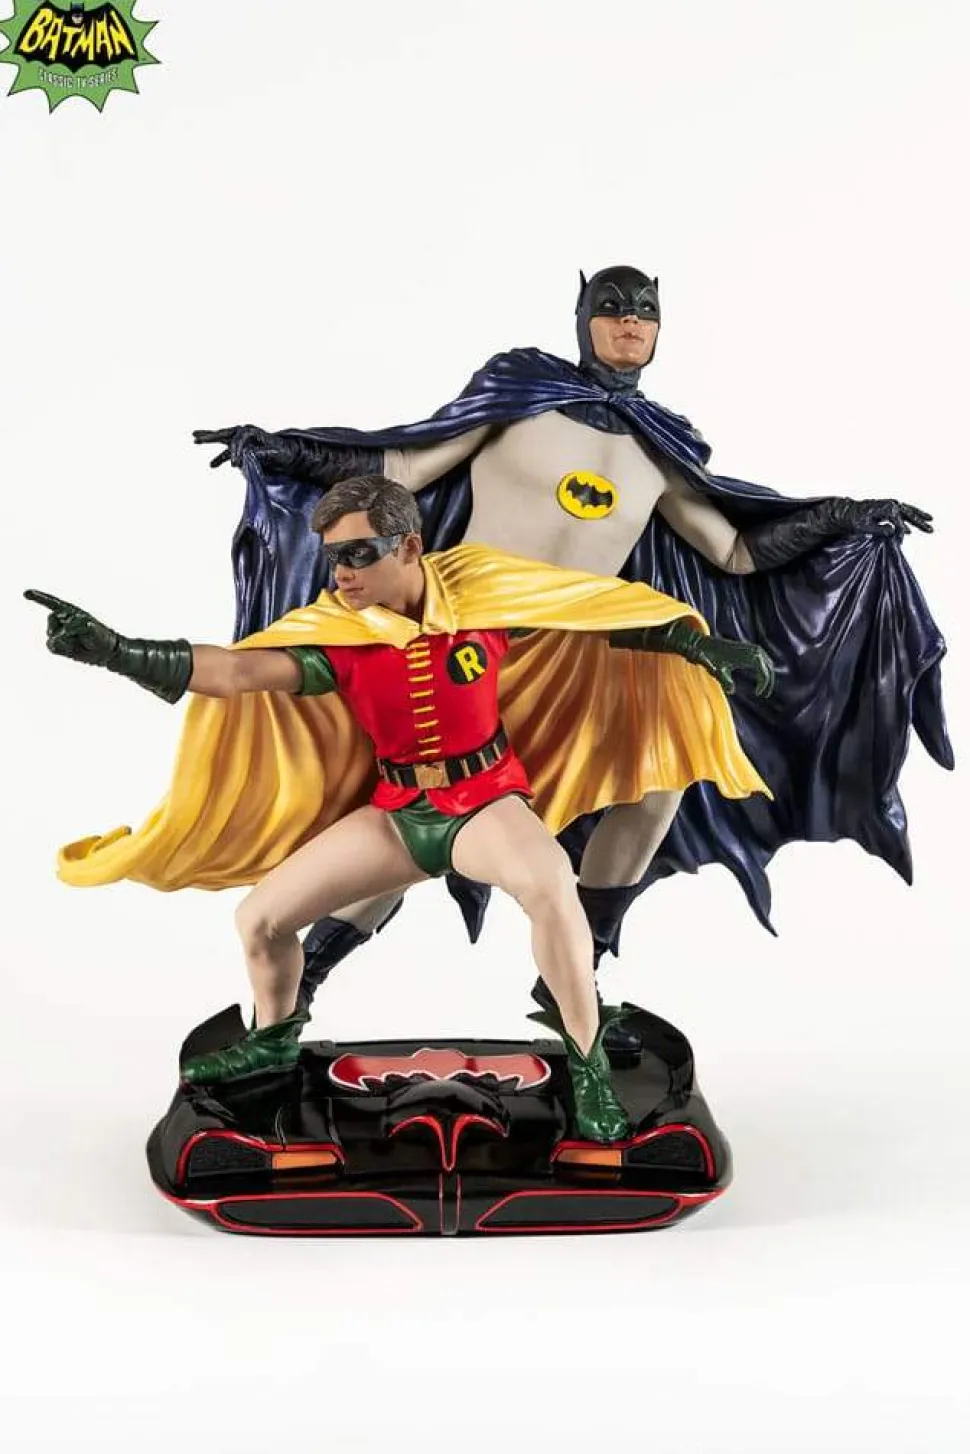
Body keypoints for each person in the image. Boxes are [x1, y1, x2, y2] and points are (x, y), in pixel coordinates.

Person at [192, 265, 951, 1044]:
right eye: (612, 307)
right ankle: (304, 983)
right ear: (583, 316)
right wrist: (285, 450)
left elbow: (733, 551)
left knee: (663, 769)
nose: (630, 321)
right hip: (466, 642)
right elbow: (404, 470)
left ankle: (578, 972)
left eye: (645, 309)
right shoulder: (520, 393)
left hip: (578, 653)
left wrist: (843, 516)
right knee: (412, 815)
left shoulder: (661, 446)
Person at [28, 476, 774, 1141]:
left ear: (409, 546)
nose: (343, 574)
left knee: (550, 884)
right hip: (397, 812)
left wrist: (697, 645)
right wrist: (118, 651)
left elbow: (590, 616)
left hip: (485, 803)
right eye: (334, 558)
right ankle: (275, 1040)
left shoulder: (484, 596)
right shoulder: (341, 635)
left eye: (359, 554)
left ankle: (586, 1066)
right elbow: (238, 672)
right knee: (260, 919)